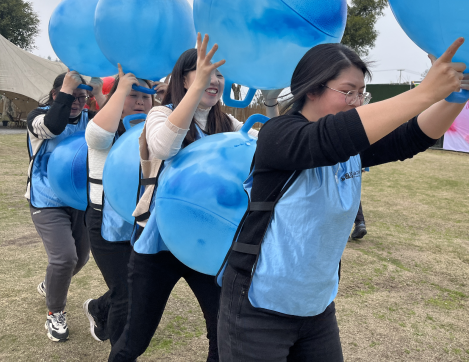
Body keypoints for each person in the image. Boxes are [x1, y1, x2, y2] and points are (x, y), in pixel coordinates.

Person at [217, 38, 469, 361]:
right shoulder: (280, 135)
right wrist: (426, 92)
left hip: (316, 306)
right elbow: (330, 139)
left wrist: (457, 98)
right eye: (348, 92)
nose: (357, 102)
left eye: (361, 93)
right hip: (257, 306)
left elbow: (410, 138)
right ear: (312, 89)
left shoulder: (352, 145)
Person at [109, 33, 280, 362]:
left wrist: (277, 110)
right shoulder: (160, 115)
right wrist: (197, 89)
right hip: (158, 245)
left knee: (222, 337)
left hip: (208, 244)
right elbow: (164, 146)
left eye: (219, 74)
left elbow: (274, 145)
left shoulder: (227, 123)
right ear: (184, 78)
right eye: (205, 72)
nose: (214, 80)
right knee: (135, 340)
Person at [26, 70, 105, 342]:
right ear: (56, 94)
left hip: (79, 200)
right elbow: (53, 127)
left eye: (83, 98)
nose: (77, 102)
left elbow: (114, 127)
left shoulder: (89, 119)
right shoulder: (37, 117)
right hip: (46, 200)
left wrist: (99, 95)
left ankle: (51, 284)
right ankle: (55, 312)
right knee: (65, 258)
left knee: (80, 258)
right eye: (73, 96)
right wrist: (66, 92)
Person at [83, 65, 154, 345]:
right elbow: (99, 136)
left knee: (137, 288)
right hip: (104, 223)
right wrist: (122, 86)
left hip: (141, 223)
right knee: (125, 295)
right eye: (132, 95)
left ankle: (98, 308)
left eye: (145, 96)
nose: (140, 101)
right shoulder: (102, 128)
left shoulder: (155, 132)